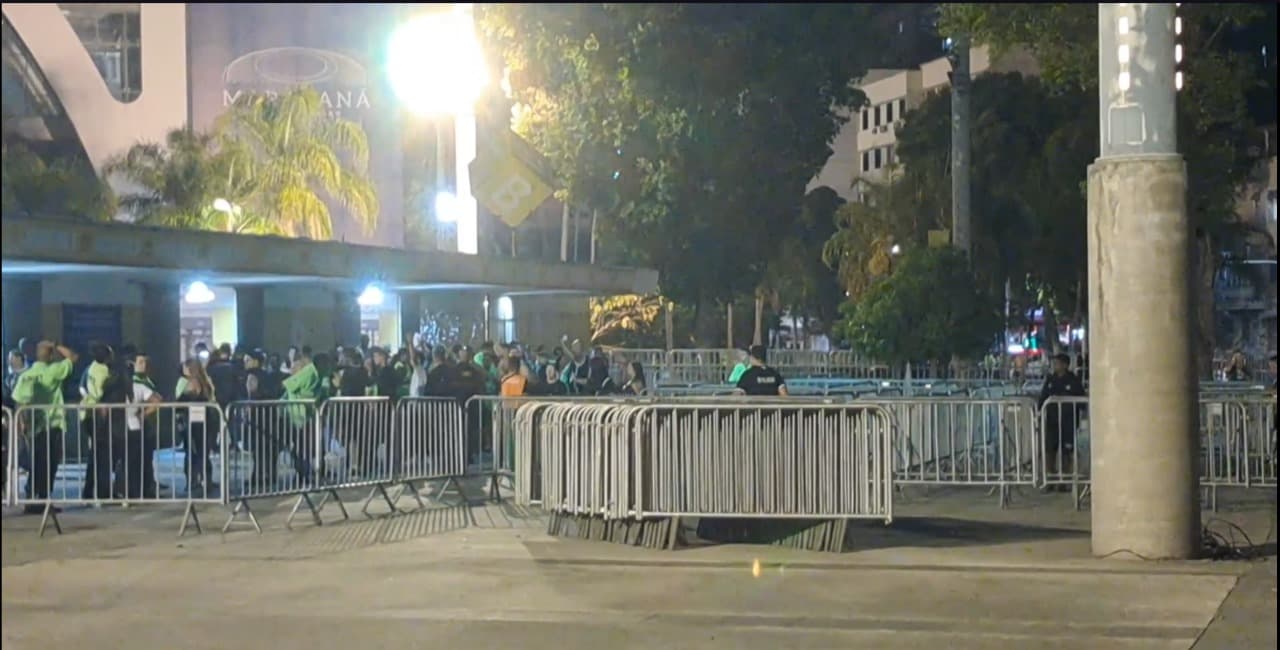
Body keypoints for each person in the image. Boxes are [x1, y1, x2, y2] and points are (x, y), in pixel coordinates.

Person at [11, 341, 78, 513]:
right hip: (53, 424)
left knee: (36, 464)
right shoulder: (54, 370)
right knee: (50, 465)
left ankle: (32, 500)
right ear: (51, 355)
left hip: (34, 426)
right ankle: (44, 499)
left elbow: (18, 400)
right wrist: (56, 344)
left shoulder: (27, 375)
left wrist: (21, 423)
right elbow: (73, 357)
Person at [1039, 352, 1087, 485]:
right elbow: (1043, 397)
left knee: (1067, 451)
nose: (1055, 366)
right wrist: (1039, 411)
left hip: (1068, 421)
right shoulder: (1050, 379)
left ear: (1065, 365)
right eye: (1054, 363)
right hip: (1052, 421)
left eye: (1058, 363)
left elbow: (1081, 399)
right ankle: (1050, 479)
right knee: (1050, 450)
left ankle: (1065, 480)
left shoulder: (1073, 380)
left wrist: (1082, 414)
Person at [123, 352, 163, 500]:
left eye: (146, 362)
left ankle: (146, 487)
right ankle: (140, 489)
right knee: (137, 459)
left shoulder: (146, 380)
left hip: (146, 425)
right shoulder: (136, 382)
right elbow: (156, 400)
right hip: (138, 425)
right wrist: (143, 414)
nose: (144, 365)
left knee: (145, 458)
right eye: (140, 362)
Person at [175, 358, 218, 496]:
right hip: (206, 421)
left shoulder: (191, 383)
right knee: (203, 452)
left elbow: (180, 402)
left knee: (192, 452)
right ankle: (206, 480)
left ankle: (193, 481)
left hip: (193, 422)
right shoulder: (206, 382)